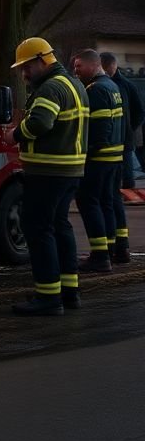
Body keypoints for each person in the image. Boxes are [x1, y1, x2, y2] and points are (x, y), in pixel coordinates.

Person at [2, 37, 87, 316]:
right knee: (60, 225)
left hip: (48, 170)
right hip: (70, 170)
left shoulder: (50, 88)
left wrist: (14, 134)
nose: (24, 73)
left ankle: (48, 296)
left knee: (38, 228)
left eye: (26, 66)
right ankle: (68, 291)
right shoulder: (74, 85)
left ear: (42, 60)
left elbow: (40, 122)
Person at [72, 50, 124, 274]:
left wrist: (88, 151)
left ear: (94, 65)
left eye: (79, 66)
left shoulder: (96, 90)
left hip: (99, 158)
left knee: (88, 201)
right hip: (114, 157)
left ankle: (100, 256)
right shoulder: (112, 87)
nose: (75, 71)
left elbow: (100, 128)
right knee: (106, 202)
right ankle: (109, 250)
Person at [100, 52, 142, 263]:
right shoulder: (113, 86)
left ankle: (115, 245)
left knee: (114, 194)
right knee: (113, 197)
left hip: (120, 146)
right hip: (118, 146)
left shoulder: (123, 86)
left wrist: (126, 131)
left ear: (110, 66)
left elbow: (138, 112)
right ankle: (119, 244)